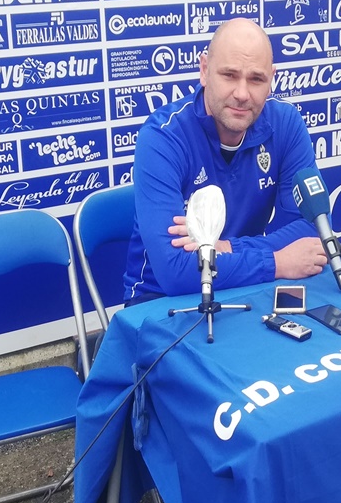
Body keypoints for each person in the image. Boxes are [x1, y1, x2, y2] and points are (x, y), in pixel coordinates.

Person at [121, 18, 328, 303]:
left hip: (248, 287)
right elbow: (175, 272)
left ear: (272, 79)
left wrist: (224, 247)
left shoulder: (286, 124)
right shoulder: (163, 137)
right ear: (204, 70)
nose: (242, 94)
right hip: (160, 301)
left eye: (256, 79)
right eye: (229, 75)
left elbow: (313, 229)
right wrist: (277, 262)